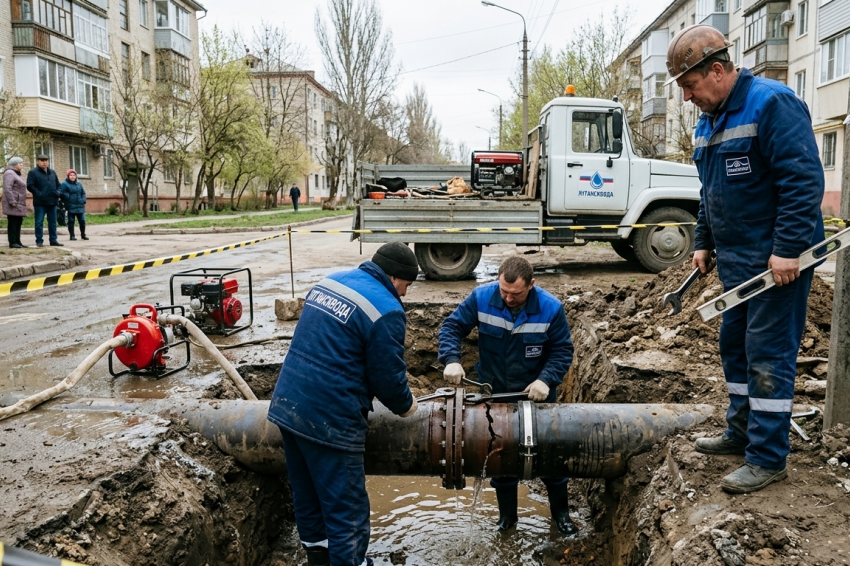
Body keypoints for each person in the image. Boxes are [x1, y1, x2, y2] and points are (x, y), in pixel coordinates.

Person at [666, 24, 825, 494]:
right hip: (736, 263)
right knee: (733, 346)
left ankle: (768, 457)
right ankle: (740, 433)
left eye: (690, 87)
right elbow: (710, 193)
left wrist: (788, 249)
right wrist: (703, 240)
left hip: (777, 263)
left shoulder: (773, 104)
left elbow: (802, 182)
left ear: (717, 70)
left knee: (767, 355)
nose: (688, 98)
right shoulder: (708, 121)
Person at [267, 242, 421, 566]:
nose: (405, 294)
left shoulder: (330, 281)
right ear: (395, 277)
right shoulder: (386, 309)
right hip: (330, 420)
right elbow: (387, 377)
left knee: (308, 501)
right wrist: (407, 406)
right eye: (407, 285)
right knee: (347, 514)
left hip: (288, 406)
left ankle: (318, 561)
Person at [438, 255, 576, 535]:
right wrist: (451, 359)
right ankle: (508, 519)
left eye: (516, 294)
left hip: (536, 395)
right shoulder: (481, 298)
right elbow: (452, 327)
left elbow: (562, 350)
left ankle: (561, 515)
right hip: (496, 394)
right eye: (504, 292)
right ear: (498, 281)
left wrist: (545, 380)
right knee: (501, 458)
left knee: (551, 457)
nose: (509, 298)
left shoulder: (551, 308)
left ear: (532, 285)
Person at [26, 154, 63, 247]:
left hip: (52, 202)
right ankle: (39, 241)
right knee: (39, 222)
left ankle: (53, 240)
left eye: (46, 160)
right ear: (37, 161)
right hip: (40, 203)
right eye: (42, 160)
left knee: (53, 222)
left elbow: (59, 185)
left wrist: (57, 193)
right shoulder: (33, 172)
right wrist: (39, 194)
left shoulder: (52, 172)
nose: (44, 162)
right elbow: (30, 185)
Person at [3, 157, 29, 249]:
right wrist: (12, 201)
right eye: (20, 163)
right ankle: (13, 242)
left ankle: (18, 241)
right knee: (13, 223)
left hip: (19, 203)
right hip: (13, 203)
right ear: (14, 164)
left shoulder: (16, 173)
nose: (22, 164)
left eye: (22, 163)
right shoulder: (9, 173)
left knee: (18, 222)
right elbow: (7, 188)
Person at [60, 169, 88, 241]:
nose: (72, 177)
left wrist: (83, 200)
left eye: (74, 175)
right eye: (71, 175)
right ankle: (72, 235)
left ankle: (83, 235)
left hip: (80, 206)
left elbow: (83, 193)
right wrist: (68, 197)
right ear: (68, 176)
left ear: (76, 176)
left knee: (82, 221)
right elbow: (61, 193)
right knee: (71, 221)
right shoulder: (64, 184)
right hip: (70, 206)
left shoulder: (79, 184)